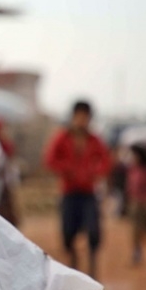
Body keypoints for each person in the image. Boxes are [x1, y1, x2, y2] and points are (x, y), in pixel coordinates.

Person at [44, 100, 112, 279]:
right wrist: (67, 170)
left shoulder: (94, 140)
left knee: (93, 231)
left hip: (89, 193)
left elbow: (106, 161)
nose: (82, 121)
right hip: (69, 193)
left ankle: (92, 268)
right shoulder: (62, 137)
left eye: (85, 117)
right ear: (73, 117)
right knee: (68, 233)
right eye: (79, 117)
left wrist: (94, 172)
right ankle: (73, 262)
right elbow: (49, 160)